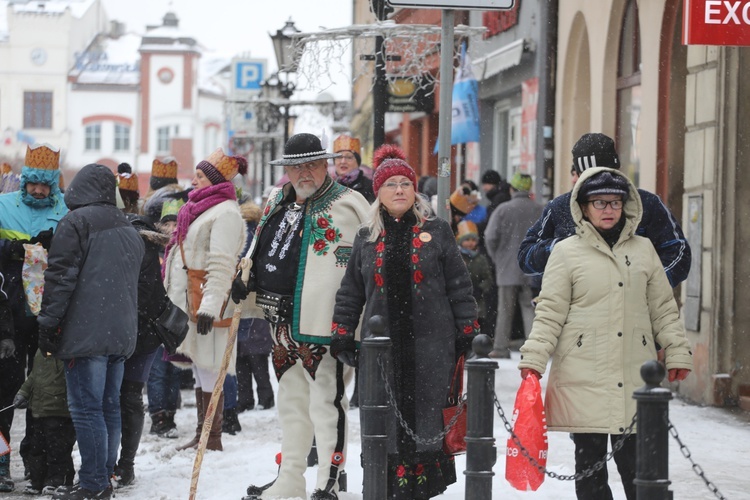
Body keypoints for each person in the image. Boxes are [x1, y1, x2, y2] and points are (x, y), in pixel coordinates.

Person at [517, 167, 693, 500]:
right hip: (583, 375)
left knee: (638, 472)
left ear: (626, 206)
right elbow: (550, 312)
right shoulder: (566, 253)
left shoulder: (643, 250)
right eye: (599, 203)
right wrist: (534, 359)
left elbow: (663, 309)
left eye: (615, 202)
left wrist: (677, 351)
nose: (608, 209)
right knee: (591, 475)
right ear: (583, 207)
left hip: (634, 376)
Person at [330, 144, 479, 499]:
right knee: (385, 424)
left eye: (405, 184)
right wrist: (341, 333)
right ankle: (386, 488)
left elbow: (460, 285)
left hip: (432, 347)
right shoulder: (367, 236)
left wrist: (467, 331)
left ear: (415, 191)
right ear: (377, 193)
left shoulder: (438, 230)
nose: (399, 190)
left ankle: (423, 490)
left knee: (427, 419)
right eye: (390, 184)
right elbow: (351, 291)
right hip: (381, 352)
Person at [232, 132, 370, 500]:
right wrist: (245, 278)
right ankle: (290, 476)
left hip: (325, 325)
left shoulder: (350, 204)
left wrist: (353, 326)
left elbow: (367, 268)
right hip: (280, 322)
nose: (303, 173)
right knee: (291, 403)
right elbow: (260, 246)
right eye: (295, 167)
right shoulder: (277, 199)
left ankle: (329, 479)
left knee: (327, 404)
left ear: (325, 165)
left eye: (311, 165)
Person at [36, 163, 145, 500]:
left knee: (86, 409)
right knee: (109, 406)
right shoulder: (127, 226)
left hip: (86, 333)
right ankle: (105, 476)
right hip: (122, 333)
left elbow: (59, 279)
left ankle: (95, 483)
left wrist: (49, 324)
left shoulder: (76, 222)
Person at [518, 133, 691, 288]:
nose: (608, 208)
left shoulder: (645, 204)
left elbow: (678, 252)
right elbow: (526, 257)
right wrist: (560, 249)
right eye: (591, 178)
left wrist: (647, 288)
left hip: (634, 316)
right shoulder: (560, 207)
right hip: (578, 316)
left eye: (615, 203)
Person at [163, 148, 247, 453]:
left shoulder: (225, 212)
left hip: (208, 303)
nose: (193, 181)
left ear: (213, 180)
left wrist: (211, 306)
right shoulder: (199, 208)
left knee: (211, 365)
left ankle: (211, 437)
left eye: (199, 176)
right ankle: (203, 433)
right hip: (191, 301)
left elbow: (222, 263)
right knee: (200, 365)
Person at [0, 143, 67, 492]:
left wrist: (54, 243)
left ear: (54, 184)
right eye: (33, 184)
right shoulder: (3, 205)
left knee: (44, 397)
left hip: (47, 317)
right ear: (24, 181)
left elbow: (74, 253)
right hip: (9, 318)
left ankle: (35, 464)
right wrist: (9, 251)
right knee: (3, 396)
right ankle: (0, 464)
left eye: (45, 185)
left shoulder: (63, 209)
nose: (39, 190)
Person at [113, 213, 174, 487]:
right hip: (135, 333)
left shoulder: (139, 247)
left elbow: (142, 296)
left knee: (127, 396)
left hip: (141, 334)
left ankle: (125, 464)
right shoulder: (142, 244)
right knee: (127, 397)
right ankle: (122, 465)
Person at [484, 172, 543, 359]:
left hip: (506, 266)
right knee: (529, 307)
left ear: (512, 189)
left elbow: (490, 237)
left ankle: (500, 347)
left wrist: (497, 258)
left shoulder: (503, 209)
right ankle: (533, 348)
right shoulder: (539, 209)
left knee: (504, 309)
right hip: (531, 266)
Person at [146, 198, 187, 439]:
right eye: (166, 223)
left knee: (174, 369)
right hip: (155, 317)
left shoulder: (183, 250)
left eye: (175, 223)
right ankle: (158, 415)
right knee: (157, 369)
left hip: (175, 316)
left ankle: (170, 413)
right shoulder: (154, 250)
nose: (171, 228)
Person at [13, 349, 76, 495]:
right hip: (39, 410)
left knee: (58, 448)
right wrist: (23, 393)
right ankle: (37, 480)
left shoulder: (68, 352)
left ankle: (58, 480)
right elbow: (33, 376)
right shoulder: (41, 353)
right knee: (37, 447)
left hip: (59, 410)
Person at [456, 221, 493, 334]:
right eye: (467, 240)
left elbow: (488, 278)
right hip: (460, 297)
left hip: (478, 299)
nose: (470, 243)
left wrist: (480, 288)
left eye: (473, 240)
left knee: (478, 322)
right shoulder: (457, 257)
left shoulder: (480, 259)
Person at [332, 134, 375, 203]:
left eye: (349, 157)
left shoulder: (370, 187)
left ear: (358, 162)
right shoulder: (330, 188)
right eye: (339, 157)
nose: (343, 161)